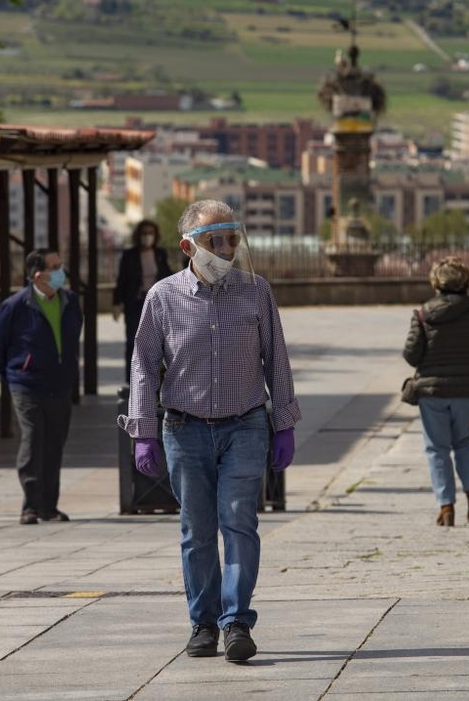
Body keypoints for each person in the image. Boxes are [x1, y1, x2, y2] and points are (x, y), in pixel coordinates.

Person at [117, 199, 300, 663]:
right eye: (212, 240)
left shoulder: (256, 292)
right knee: (197, 530)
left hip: (245, 423)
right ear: (187, 246)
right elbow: (142, 365)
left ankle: (236, 621)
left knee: (239, 520)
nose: (223, 248)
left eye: (230, 239)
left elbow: (276, 358)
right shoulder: (162, 297)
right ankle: (203, 622)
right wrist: (142, 431)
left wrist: (284, 423)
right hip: (185, 426)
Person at [402, 256, 469, 527]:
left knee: (437, 448)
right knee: (464, 441)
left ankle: (446, 507)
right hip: (467, 391)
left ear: (436, 283)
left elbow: (412, 355)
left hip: (432, 393)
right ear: (466, 282)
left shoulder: (423, 313)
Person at [0, 249, 83, 525]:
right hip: (27, 385)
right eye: (55, 267)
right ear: (38, 275)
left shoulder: (70, 301)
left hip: (60, 385)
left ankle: (49, 507)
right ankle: (30, 505)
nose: (61, 271)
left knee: (54, 444)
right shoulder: (16, 305)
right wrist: (17, 373)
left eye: (61, 265)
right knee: (33, 442)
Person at [113, 219, 172, 382]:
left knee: (159, 343)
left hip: (156, 305)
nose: (147, 237)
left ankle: (155, 377)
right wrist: (116, 303)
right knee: (134, 342)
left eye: (151, 233)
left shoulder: (160, 254)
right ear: (138, 235)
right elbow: (122, 280)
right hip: (136, 304)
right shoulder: (129, 255)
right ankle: (131, 378)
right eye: (144, 233)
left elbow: (167, 275)